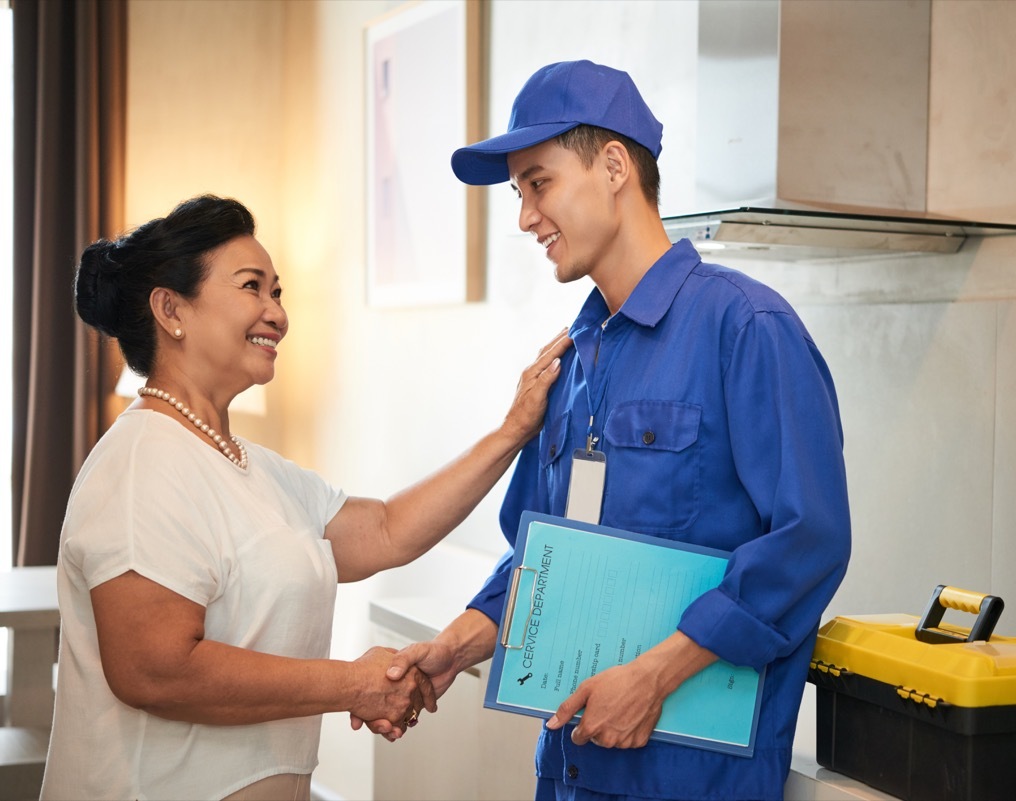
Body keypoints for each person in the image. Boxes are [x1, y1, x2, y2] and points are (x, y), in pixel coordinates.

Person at [387, 60, 852, 801]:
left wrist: (656, 674)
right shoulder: (572, 362)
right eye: (518, 193)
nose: (524, 217)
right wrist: (460, 642)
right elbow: (545, 558)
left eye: (538, 183)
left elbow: (809, 541)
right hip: (572, 766)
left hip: (693, 780)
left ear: (612, 166)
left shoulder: (747, 327)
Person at [40, 194, 571, 801]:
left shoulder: (249, 466)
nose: (277, 313)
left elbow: (387, 530)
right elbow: (156, 670)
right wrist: (352, 684)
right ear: (170, 309)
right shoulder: (141, 465)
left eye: (278, 292)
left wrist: (511, 432)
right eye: (252, 287)